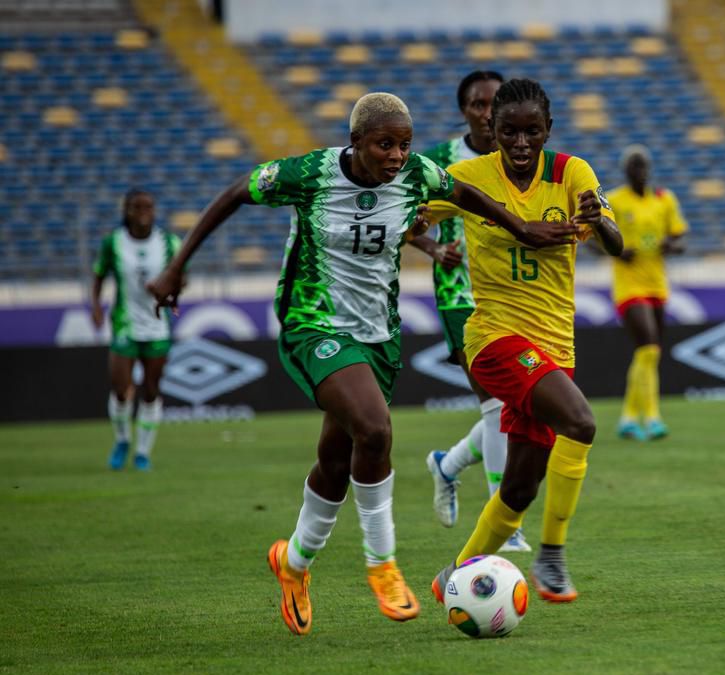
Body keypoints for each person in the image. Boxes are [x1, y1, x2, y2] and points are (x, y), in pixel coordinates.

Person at [146, 92, 572, 636]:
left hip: (377, 335)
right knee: (374, 430)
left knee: (336, 457)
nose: (396, 155)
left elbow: (464, 193)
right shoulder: (312, 173)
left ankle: (294, 563)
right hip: (314, 322)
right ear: (356, 142)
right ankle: (383, 564)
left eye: (404, 144)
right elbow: (235, 193)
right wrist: (177, 266)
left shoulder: (418, 174)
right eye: (384, 144)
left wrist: (522, 228)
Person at [426, 78, 623, 604]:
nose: (519, 143)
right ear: (490, 129)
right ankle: (552, 557)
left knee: (517, 490)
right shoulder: (467, 177)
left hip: (554, 346)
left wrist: (597, 221)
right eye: (508, 131)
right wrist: (427, 245)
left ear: (547, 130)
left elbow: (616, 243)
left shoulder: (571, 173)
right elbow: (406, 216)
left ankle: (455, 575)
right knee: (580, 422)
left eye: (531, 132)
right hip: (494, 339)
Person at [410, 70, 531, 552]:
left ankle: (448, 464)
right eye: (478, 104)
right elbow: (401, 216)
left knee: (518, 406)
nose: (486, 112)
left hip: (513, 298)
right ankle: (507, 524)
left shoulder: (518, 161)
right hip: (461, 297)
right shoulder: (440, 161)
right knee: (499, 405)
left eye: (494, 104)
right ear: (465, 110)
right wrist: (433, 249)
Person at [91, 189, 180, 471]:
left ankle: (143, 452)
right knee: (121, 389)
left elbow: (182, 277)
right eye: (137, 206)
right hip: (124, 323)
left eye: (148, 206)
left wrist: (171, 292)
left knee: (151, 390)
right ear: (126, 210)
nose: (143, 211)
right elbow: (98, 275)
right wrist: (95, 306)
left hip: (157, 324)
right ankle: (121, 441)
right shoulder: (113, 243)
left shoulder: (169, 242)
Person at [606, 145, 687, 440]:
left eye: (642, 167)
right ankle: (652, 418)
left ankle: (628, 417)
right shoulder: (614, 200)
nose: (639, 172)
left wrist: (670, 246)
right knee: (650, 348)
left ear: (648, 169)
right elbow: (591, 237)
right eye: (633, 167)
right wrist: (615, 252)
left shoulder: (664, 199)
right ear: (625, 171)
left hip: (657, 284)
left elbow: (680, 238)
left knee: (647, 353)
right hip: (628, 286)